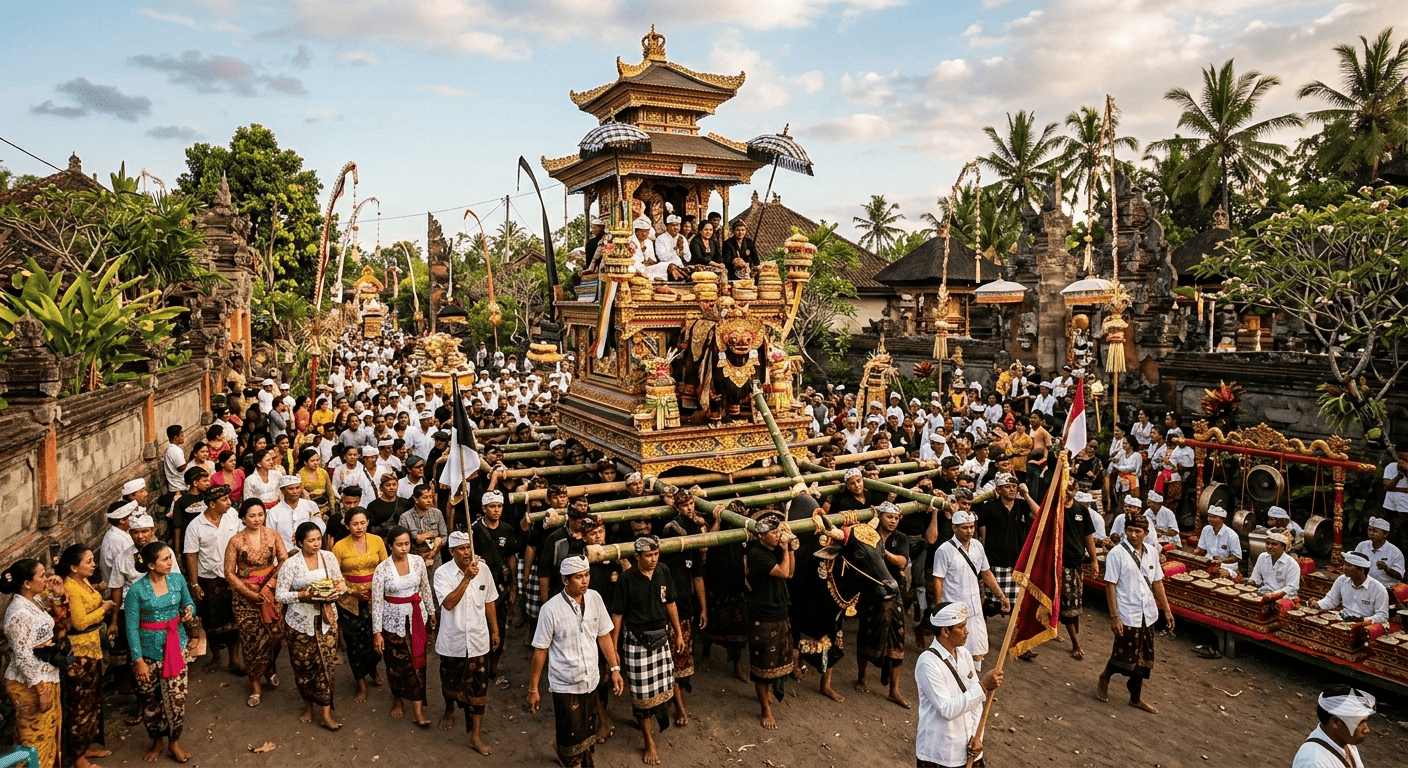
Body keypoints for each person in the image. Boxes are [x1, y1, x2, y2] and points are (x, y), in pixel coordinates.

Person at [528, 556, 623, 768]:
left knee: (587, 732)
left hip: (590, 679)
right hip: (565, 683)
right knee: (571, 736)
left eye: (587, 575)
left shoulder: (595, 598)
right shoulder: (550, 610)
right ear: (565, 580)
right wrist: (533, 688)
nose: (585, 581)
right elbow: (540, 651)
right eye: (578, 577)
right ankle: (569, 759)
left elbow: (604, 636)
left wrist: (615, 668)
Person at [610, 535, 683, 765]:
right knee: (641, 696)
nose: (653, 559)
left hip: (660, 636)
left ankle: (669, 714)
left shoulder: (663, 571)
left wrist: (678, 632)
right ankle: (649, 742)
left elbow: (670, 602)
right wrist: (614, 648)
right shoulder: (626, 579)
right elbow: (618, 614)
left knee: (666, 684)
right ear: (637, 556)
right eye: (648, 555)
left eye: (656, 554)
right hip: (636, 641)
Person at [125, 541, 197, 764]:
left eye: (170, 557)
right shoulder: (136, 591)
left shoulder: (177, 580)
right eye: (164, 559)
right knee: (150, 700)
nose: (170, 562)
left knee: (177, 698)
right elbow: (131, 626)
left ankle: (174, 742)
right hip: (147, 653)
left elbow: (190, 604)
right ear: (150, 565)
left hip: (176, 646)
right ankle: (156, 741)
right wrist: (138, 660)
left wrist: (188, 612)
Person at [1097, 514, 1174, 714]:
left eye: (1137, 531)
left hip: (1147, 612)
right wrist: (1114, 616)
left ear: (1146, 534)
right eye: (1129, 530)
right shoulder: (1117, 553)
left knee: (1143, 657)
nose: (1133, 535)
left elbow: (1157, 583)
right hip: (1126, 611)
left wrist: (1166, 610)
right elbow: (1110, 585)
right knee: (1123, 654)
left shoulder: (1151, 553)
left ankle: (1135, 697)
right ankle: (1105, 676)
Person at [914, 602, 1004, 768]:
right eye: (961, 627)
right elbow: (947, 709)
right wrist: (983, 686)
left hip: (970, 749)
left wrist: (977, 736)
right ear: (945, 631)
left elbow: (976, 704)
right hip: (940, 754)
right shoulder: (927, 663)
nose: (967, 631)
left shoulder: (964, 654)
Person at [434, 531, 500, 754]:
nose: (466, 552)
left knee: (479, 688)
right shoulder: (442, 573)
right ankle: (449, 709)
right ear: (452, 551)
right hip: (452, 640)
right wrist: (466, 579)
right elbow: (449, 604)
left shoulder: (484, 570)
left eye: (468, 547)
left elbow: (490, 600)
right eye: (461, 548)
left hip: (478, 639)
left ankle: (475, 736)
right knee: (450, 681)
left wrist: (495, 631)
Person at [275, 522, 344, 730]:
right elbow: (280, 595)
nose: (316, 544)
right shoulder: (291, 564)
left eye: (318, 539)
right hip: (299, 623)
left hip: (326, 620)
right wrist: (302, 595)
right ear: (300, 542)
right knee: (303, 666)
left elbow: (339, 581)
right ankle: (308, 706)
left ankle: (326, 712)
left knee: (326, 666)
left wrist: (337, 589)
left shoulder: (328, 557)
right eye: (311, 540)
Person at [224, 498, 288, 708]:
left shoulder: (273, 535)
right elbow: (229, 573)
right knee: (252, 641)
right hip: (245, 597)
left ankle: (269, 666)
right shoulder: (235, 541)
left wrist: (270, 584)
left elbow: (284, 561)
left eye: (260, 514)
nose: (257, 519)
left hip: (270, 593)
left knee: (276, 636)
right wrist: (248, 594)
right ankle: (255, 684)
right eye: (251, 515)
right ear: (243, 518)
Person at [58, 545, 116, 768]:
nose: (93, 565)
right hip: (79, 652)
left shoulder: (83, 582)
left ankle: (84, 746)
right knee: (79, 704)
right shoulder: (70, 587)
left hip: (92, 647)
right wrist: (104, 609)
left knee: (91, 700)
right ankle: (77, 756)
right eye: (89, 561)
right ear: (74, 567)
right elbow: (80, 622)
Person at [372, 526, 436, 726]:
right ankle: (398, 699)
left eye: (407, 544)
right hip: (392, 620)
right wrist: (377, 632)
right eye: (399, 544)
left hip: (417, 617)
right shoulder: (381, 569)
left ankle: (418, 710)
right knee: (396, 664)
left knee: (418, 662)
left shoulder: (417, 562)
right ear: (390, 545)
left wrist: (432, 612)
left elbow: (425, 588)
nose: (404, 548)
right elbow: (377, 602)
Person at [3, 558, 62, 768]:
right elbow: (22, 656)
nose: (46, 579)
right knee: (35, 742)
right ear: (27, 583)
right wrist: (41, 689)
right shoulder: (19, 613)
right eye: (42, 575)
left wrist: (57, 591)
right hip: (31, 684)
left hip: (46, 676)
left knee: (47, 736)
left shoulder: (34, 600)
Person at [932, 509, 1009, 667]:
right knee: (955, 655)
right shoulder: (944, 550)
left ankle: (973, 685)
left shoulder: (977, 546)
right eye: (964, 527)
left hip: (974, 608)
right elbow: (938, 579)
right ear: (954, 528)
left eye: (971, 527)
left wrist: (1001, 596)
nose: (969, 531)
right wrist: (939, 606)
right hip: (954, 608)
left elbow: (986, 573)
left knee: (977, 653)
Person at [855, 501, 911, 708]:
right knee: (866, 634)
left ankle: (894, 690)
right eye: (889, 517)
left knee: (898, 640)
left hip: (894, 593)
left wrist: (881, 550)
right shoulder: (868, 534)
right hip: (871, 592)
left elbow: (902, 563)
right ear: (880, 517)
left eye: (896, 518)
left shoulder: (901, 538)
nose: (893, 521)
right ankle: (861, 676)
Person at [182, 485, 242, 673]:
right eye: (224, 500)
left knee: (234, 618)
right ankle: (216, 658)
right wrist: (194, 583)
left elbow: (242, 539)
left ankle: (234, 659)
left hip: (232, 575)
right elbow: (191, 555)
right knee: (210, 620)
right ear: (211, 504)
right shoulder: (196, 526)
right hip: (208, 578)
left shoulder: (232, 515)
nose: (228, 502)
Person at [745, 513, 795, 730]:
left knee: (778, 661)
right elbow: (784, 572)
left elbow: (790, 573)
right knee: (763, 665)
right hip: (763, 616)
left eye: (778, 532)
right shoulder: (757, 554)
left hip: (780, 612)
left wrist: (789, 548)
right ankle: (765, 709)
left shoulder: (773, 550)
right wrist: (785, 550)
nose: (778, 536)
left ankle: (767, 696)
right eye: (773, 533)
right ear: (761, 536)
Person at [332, 508, 388, 703]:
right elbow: (334, 577)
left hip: (375, 599)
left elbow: (385, 568)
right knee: (355, 644)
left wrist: (377, 591)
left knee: (376, 640)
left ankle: (372, 668)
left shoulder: (377, 541)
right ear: (347, 525)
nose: (359, 527)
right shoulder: (339, 546)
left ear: (368, 522)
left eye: (363, 523)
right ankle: (360, 683)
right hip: (349, 602)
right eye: (355, 524)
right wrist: (352, 592)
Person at [1060, 486, 1099, 661]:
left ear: (1075, 490)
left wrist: (1094, 559)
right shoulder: (1054, 509)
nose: (1067, 491)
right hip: (1060, 564)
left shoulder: (1081, 510)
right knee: (1068, 607)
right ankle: (1075, 643)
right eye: (1064, 487)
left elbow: (1087, 537)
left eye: (1070, 488)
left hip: (1076, 564)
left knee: (1075, 605)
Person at [1292, 685, 1373, 767]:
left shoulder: (1345, 741)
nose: (1366, 730)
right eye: (1359, 722)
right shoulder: (1315, 763)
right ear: (1335, 722)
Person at [1314, 551, 1390, 626]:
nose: (1344, 568)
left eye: (1349, 566)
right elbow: (1331, 600)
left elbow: (1382, 615)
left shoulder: (1378, 589)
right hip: (1343, 618)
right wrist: (1318, 604)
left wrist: (1363, 621)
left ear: (1361, 570)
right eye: (1345, 564)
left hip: (1365, 623)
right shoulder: (1341, 580)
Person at [1353, 517, 1404, 588]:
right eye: (1369, 530)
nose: (1371, 533)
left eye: (1375, 531)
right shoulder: (1362, 546)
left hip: (1386, 588)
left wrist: (1386, 569)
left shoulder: (1394, 551)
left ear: (1385, 534)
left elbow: (1399, 576)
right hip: (1364, 586)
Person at [1193, 506, 1242, 579]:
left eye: (1214, 517)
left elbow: (1237, 557)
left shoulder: (1232, 535)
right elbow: (1201, 549)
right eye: (1209, 516)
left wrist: (1222, 560)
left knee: (1220, 575)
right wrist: (1195, 553)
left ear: (1222, 519)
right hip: (1209, 562)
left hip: (1226, 566)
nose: (1210, 519)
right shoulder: (1206, 529)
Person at [1249, 531, 1300, 600]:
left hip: (1283, 598)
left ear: (1283, 547)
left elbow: (1292, 588)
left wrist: (1273, 595)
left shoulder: (1292, 564)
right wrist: (1251, 582)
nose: (1269, 546)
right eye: (1267, 543)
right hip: (1264, 593)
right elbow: (1256, 578)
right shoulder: (1262, 557)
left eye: (1274, 544)